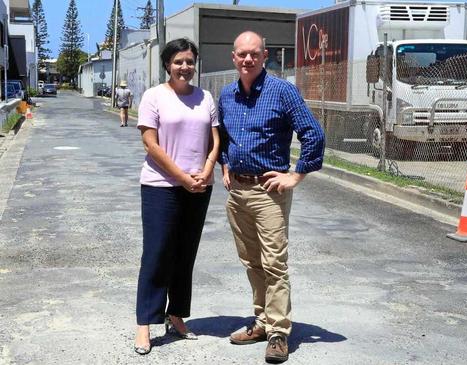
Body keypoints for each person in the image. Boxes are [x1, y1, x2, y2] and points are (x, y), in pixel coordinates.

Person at [218, 31, 325, 363]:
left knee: (274, 264)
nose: (248, 59)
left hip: (268, 192)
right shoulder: (226, 95)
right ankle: (261, 322)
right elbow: (221, 136)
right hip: (238, 192)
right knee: (251, 262)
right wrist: (224, 165)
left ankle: (278, 333)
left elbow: (314, 134)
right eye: (242, 54)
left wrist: (295, 175)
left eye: (254, 54)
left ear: (264, 56)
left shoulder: (282, 92)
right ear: (233, 58)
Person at [133, 38, 220, 355]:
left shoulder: (205, 97)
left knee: (186, 254)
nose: (185, 67)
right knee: (157, 254)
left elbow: (215, 138)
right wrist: (182, 177)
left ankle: (176, 315)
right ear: (168, 65)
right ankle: (144, 323)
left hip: (198, 187)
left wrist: (207, 169)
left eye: (190, 62)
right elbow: (151, 145)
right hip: (161, 186)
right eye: (179, 61)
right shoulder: (153, 97)